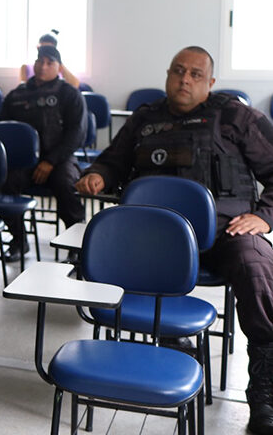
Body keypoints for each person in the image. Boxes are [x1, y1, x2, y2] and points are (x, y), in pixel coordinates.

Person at [75, 46, 273, 435]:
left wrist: (263, 217)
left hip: (224, 233)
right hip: (154, 239)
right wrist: (98, 174)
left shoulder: (235, 115)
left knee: (258, 268)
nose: (185, 79)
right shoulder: (145, 118)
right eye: (178, 71)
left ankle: (265, 390)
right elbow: (113, 160)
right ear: (167, 74)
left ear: (210, 83)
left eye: (196, 74)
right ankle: (164, 342)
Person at [0, 46, 87, 261]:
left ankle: (77, 247)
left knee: (66, 185)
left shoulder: (69, 94)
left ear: (58, 67)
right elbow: (3, 128)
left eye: (50, 62)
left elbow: (76, 133)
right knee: (4, 183)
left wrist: (51, 160)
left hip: (60, 159)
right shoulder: (17, 95)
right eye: (40, 61)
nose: (43, 66)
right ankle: (18, 241)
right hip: (26, 162)